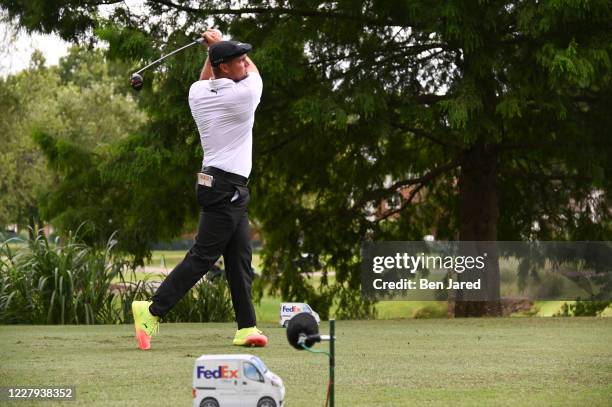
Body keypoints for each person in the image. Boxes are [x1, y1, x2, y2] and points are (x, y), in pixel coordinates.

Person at [131, 28, 267, 350]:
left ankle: (246, 327)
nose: (245, 62)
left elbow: (207, 78)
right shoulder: (243, 96)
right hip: (226, 189)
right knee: (203, 257)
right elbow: (256, 73)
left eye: (243, 57)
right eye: (237, 60)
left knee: (239, 259)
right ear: (223, 67)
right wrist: (217, 44)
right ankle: (151, 311)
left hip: (220, 185)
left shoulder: (197, 93)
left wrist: (215, 50)